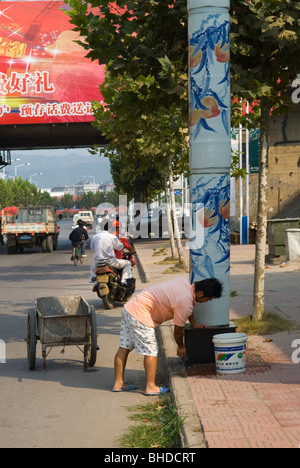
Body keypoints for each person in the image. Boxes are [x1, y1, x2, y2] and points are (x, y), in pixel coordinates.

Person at [112, 276, 223, 395]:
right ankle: (151, 387)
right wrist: (181, 346)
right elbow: (178, 330)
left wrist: (194, 324)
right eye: (208, 299)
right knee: (151, 351)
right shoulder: (185, 302)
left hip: (129, 309)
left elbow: (189, 306)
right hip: (141, 314)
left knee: (125, 346)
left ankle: (118, 383)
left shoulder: (183, 282)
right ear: (201, 293)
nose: (206, 302)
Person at [90, 220, 134, 290]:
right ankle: (124, 282)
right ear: (111, 228)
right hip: (110, 261)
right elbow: (119, 247)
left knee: (92, 267)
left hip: (98, 262)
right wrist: (121, 243)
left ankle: (95, 282)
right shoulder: (112, 237)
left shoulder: (95, 237)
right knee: (128, 263)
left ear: (100, 227)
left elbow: (92, 248)